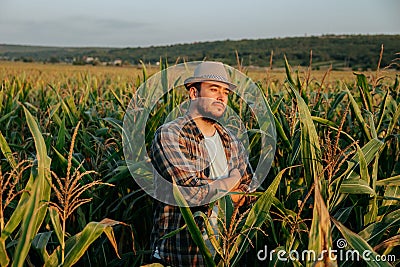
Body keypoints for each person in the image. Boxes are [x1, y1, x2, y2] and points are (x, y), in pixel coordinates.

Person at [149, 61, 256, 266]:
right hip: (180, 256)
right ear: (193, 93)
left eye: (225, 92)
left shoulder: (231, 140)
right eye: (213, 89)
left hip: (224, 255)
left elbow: (251, 188)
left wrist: (218, 188)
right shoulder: (170, 135)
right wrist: (233, 179)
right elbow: (191, 193)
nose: (221, 97)